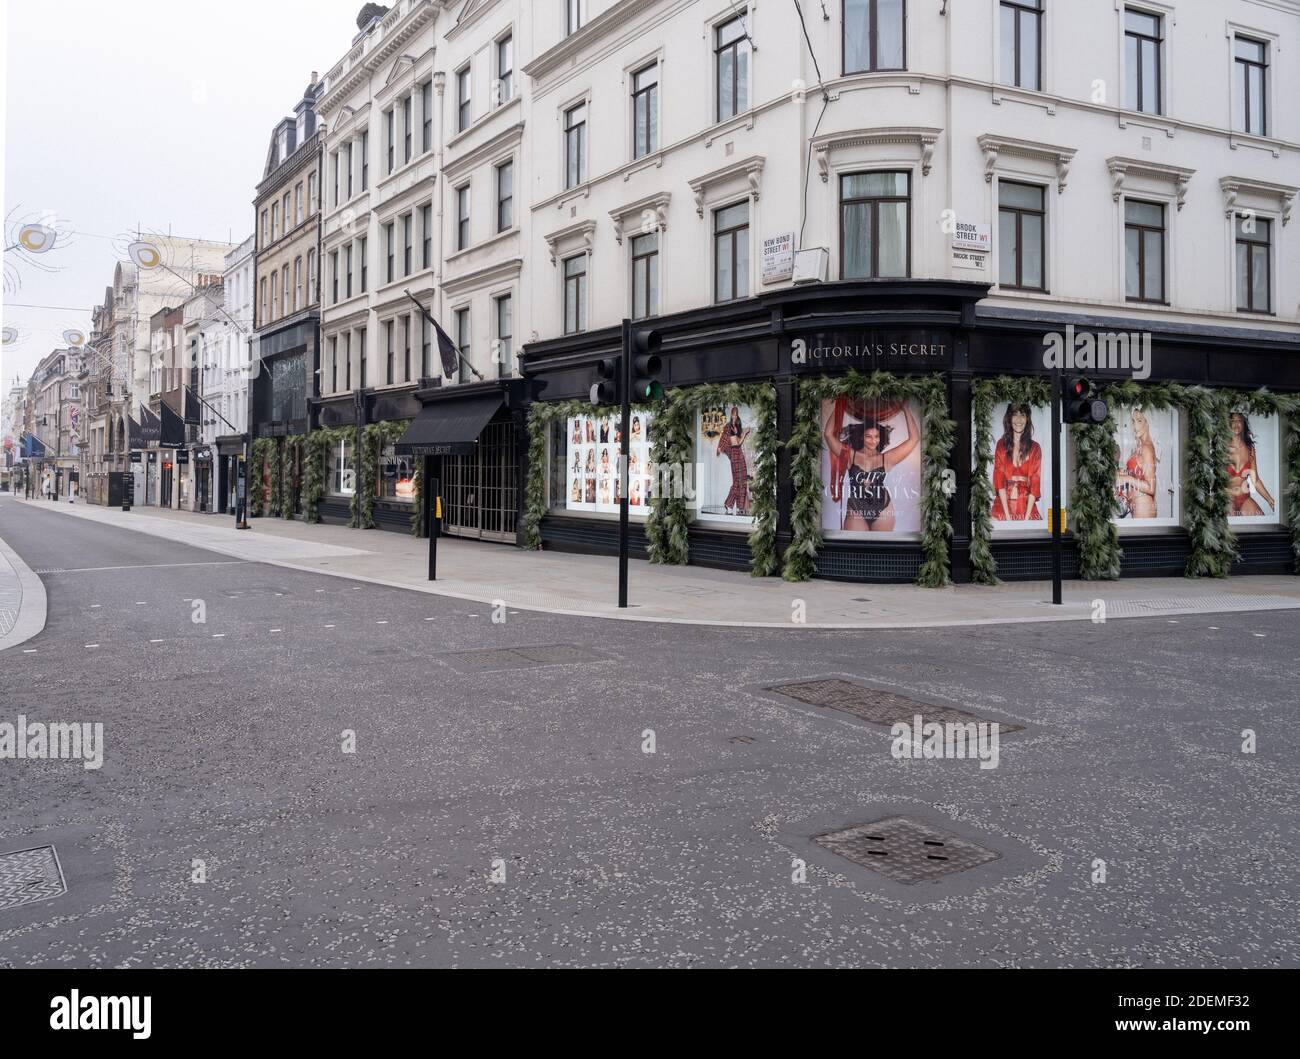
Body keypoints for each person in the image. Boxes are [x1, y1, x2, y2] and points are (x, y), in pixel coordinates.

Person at [822, 402, 920, 532]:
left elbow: (914, 439)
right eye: (868, 436)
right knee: (854, 547)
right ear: (862, 437)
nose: (873, 441)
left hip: (883, 509)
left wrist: (906, 410)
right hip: (856, 508)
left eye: (876, 436)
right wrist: (840, 406)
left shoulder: (887, 458)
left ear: (880, 438)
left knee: (880, 548)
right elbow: (828, 434)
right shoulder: (851, 455)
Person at [991, 404, 1042, 521]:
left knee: (1036, 534)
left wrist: (1026, 518)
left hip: (1026, 504)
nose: (1019, 419)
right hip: (1003, 504)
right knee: (993, 529)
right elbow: (999, 480)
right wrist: (1008, 518)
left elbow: (1035, 482)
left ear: (1027, 419)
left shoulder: (1035, 448)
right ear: (1009, 418)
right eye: (1015, 414)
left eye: (1022, 415)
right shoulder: (1001, 445)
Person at [1226, 412, 1275, 517]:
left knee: (1262, 524)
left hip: (1244, 499)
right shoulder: (1222, 448)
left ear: (1244, 423)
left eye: (1239, 420)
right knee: (1232, 531)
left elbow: (1255, 480)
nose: (1236, 424)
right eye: (1232, 421)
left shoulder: (1250, 448)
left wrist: (1270, 501)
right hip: (1227, 499)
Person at [1116, 407, 1159, 519]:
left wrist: (1126, 478)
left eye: (1139, 421)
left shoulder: (1146, 448)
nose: (1135, 426)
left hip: (1143, 505)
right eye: (1133, 421)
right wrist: (1125, 473)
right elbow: (1139, 475)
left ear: (1148, 423)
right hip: (1137, 504)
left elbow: (1151, 487)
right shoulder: (1141, 446)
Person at [715, 405, 754, 515]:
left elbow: (739, 442)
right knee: (737, 481)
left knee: (742, 480)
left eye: (736, 414)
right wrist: (720, 448)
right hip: (734, 453)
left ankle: (739, 506)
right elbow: (724, 439)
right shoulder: (728, 427)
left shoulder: (737, 427)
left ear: (737, 415)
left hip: (739, 452)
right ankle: (729, 503)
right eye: (733, 414)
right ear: (731, 415)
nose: (734, 416)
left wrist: (745, 433)